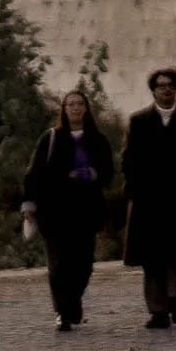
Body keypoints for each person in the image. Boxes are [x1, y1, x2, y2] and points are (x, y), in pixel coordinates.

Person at [122, 68, 176, 329]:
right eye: (161, 85)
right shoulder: (138, 121)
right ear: (153, 90)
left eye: (171, 85)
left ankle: (175, 298)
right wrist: (136, 189)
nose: (166, 89)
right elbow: (128, 160)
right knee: (151, 260)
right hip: (148, 202)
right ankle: (158, 310)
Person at [22, 86, 114, 332]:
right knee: (59, 263)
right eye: (70, 104)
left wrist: (94, 174)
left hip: (86, 210)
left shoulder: (97, 139)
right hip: (55, 211)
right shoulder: (51, 138)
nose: (75, 108)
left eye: (79, 104)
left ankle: (72, 302)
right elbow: (34, 173)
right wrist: (29, 204)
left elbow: (109, 172)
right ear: (64, 109)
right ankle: (63, 311)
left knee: (83, 264)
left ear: (86, 109)